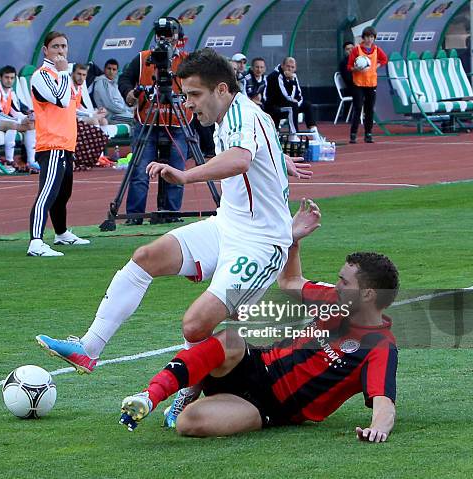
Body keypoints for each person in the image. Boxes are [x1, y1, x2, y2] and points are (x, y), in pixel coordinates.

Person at [36, 48, 312, 426]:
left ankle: (184, 396)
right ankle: (89, 348)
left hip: (261, 245)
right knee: (147, 256)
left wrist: (185, 175)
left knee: (195, 325)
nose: (187, 104)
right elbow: (254, 153)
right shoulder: (235, 113)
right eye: (184, 95)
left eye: (194, 95)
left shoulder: (243, 115)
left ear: (220, 89)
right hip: (228, 225)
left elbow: (240, 159)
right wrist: (281, 161)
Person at [119, 199, 399, 441]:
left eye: (344, 282)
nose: (337, 286)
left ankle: (195, 387)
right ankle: (151, 395)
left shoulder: (379, 346)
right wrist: (292, 240)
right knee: (229, 338)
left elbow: (384, 402)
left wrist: (377, 429)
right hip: (254, 363)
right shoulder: (333, 299)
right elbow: (290, 280)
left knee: (188, 424)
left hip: (269, 406)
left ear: (368, 294)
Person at [117, 17, 190, 225]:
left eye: (170, 34)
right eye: (162, 34)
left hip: (178, 123)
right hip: (146, 121)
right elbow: (125, 79)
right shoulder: (143, 58)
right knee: (140, 171)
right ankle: (134, 216)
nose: (165, 39)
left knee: (176, 171)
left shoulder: (187, 61)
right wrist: (129, 93)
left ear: (178, 37)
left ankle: (170, 214)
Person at [27, 31, 90, 257]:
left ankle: (61, 233)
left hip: (66, 143)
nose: (61, 51)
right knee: (47, 193)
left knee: (63, 193)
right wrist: (64, 73)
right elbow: (61, 101)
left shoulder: (63, 76)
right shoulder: (42, 75)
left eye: (64, 46)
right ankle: (35, 241)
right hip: (51, 144)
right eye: (55, 47)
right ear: (46, 50)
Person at [347, 27, 388, 144]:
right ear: (363, 38)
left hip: (371, 83)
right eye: (367, 37)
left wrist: (376, 66)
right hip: (358, 84)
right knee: (358, 107)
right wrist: (356, 68)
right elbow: (349, 66)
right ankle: (353, 133)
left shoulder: (376, 50)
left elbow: (384, 60)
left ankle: (368, 133)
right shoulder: (356, 50)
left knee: (369, 109)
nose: (369, 40)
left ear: (374, 38)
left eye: (371, 37)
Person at [264, 57, 318, 141]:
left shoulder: (293, 76)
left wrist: (298, 103)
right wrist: (291, 82)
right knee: (292, 106)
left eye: (292, 67)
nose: (290, 69)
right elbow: (285, 95)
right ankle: (293, 135)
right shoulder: (276, 76)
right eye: (288, 66)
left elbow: (299, 94)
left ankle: (314, 133)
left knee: (307, 105)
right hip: (274, 106)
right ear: (282, 66)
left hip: (287, 104)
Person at [92, 59, 134, 124]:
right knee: (135, 120)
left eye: (114, 69)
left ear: (117, 71)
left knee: (139, 117)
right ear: (104, 69)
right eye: (109, 69)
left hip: (119, 113)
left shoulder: (114, 83)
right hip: (109, 116)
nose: (111, 72)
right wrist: (126, 110)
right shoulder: (102, 82)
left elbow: (120, 102)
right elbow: (110, 105)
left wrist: (130, 109)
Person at [71, 64, 109, 128]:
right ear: (73, 74)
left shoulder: (79, 88)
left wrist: (96, 112)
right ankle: (97, 137)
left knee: (103, 121)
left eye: (84, 75)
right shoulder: (69, 87)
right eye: (79, 74)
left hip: (76, 115)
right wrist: (91, 115)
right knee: (94, 120)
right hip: (69, 116)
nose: (81, 78)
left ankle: (105, 137)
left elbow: (79, 107)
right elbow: (72, 110)